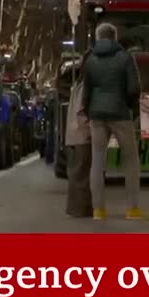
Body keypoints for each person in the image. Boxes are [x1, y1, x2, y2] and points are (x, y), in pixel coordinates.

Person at [83, 23, 144, 220]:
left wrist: (87, 111)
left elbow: (86, 90)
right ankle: (132, 209)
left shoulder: (90, 60)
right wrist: (130, 107)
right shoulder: (125, 58)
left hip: (96, 115)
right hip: (120, 113)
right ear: (115, 37)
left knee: (98, 161)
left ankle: (98, 210)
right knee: (131, 160)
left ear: (98, 37)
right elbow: (134, 88)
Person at [64, 59, 93, 218]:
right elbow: (82, 112)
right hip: (81, 135)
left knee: (76, 174)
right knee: (81, 175)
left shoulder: (77, 86)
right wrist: (91, 129)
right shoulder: (85, 88)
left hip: (73, 135)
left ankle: (75, 208)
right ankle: (80, 209)